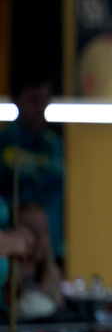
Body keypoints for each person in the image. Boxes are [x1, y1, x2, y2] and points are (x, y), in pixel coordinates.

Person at [0, 71, 64, 268]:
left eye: (45, 100)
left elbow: (59, 204)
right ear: (16, 99)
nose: (41, 108)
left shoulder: (55, 147)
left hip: (51, 256)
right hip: (13, 254)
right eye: (34, 100)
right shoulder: (4, 145)